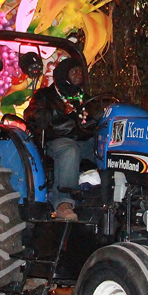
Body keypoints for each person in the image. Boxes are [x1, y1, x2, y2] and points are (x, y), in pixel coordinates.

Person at [24, 57, 94, 222]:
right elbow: (31, 113)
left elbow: (95, 116)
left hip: (83, 139)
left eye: (80, 72)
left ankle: (113, 196)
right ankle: (63, 203)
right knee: (70, 150)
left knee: (108, 146)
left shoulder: (84, 97)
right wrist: (43, 115)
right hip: (56, 140)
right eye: (74, 71)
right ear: (63, 75)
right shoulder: (46, 95)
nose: (78, 75)